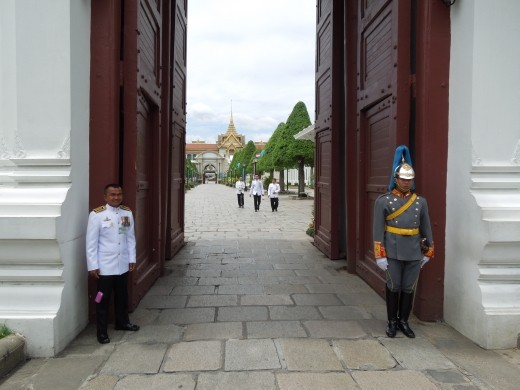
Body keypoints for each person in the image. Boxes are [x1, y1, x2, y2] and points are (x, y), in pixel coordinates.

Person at [373, 146, 434, 339]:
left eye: (409, 180)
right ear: (395, 178)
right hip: (392, 250)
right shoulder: (384, 201)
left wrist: (429, 250)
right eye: (403, 179)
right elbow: (377, 229)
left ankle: (404, 321)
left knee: (408, 287)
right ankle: (392, 322)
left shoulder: (420, 202)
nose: (406, 183)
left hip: (414, 251)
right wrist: (379, 254)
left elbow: (426, 227)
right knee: (393, 285)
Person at [86, 183, 140, 344]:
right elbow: (91, 243)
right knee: (101, 298)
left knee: (122, 295)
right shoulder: (97, 215)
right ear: (105, 197)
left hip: (122, 264)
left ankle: (122, 322)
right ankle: (101, 331)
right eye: (113, 195)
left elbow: (128, 237)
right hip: (105, 266)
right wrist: (92, 265)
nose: (116, 197)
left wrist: (132, 259)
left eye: (119, 194)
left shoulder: (126, 213)